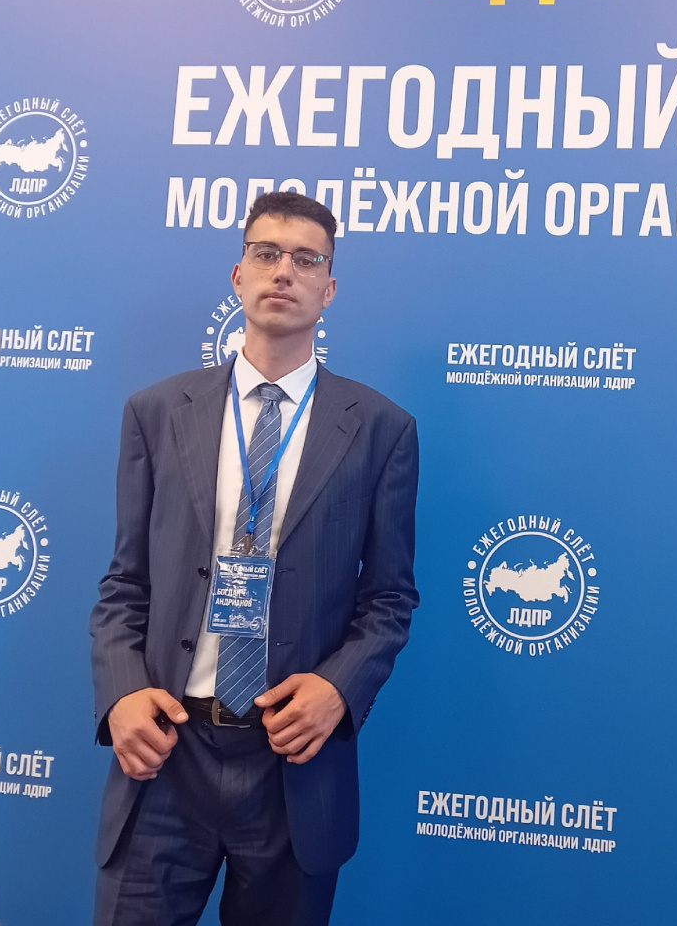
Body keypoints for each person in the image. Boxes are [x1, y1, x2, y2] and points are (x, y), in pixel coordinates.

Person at [89, 191, 419, 926]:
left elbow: (389, 599)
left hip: (292, 765)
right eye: (266, 253)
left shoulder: (381, 430)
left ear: (329, 290)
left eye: (306, 259)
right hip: (167, 753)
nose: (284, 271)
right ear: (238, 275)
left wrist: (337, 691)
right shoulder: (156, 412)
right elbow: (125, 582)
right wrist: (121, 694)